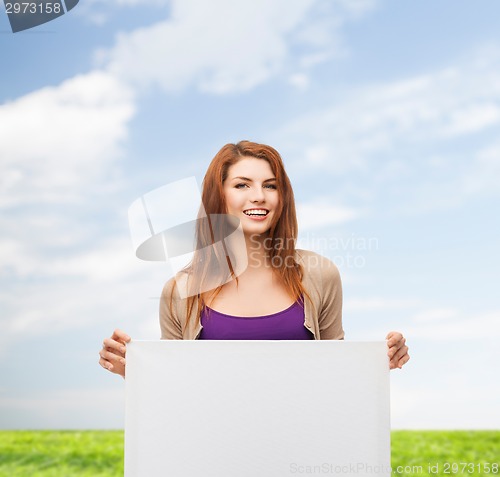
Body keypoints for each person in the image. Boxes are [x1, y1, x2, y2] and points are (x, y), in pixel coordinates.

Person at [99, 141, 409, 377]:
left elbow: (336, 376)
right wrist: (134, 370)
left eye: (270, 186)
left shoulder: (319, 275)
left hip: (302, 449)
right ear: (217, 196)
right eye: (241, 185)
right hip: (215, 453)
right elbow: (176, 387)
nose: (259, 196)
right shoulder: (180, 291)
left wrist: (378, 363)